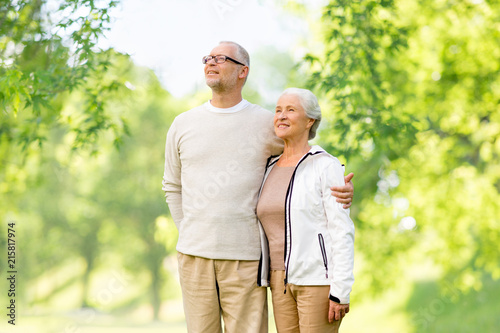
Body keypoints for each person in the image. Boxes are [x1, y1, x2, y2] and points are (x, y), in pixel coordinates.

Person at [162, 41, 354, 333]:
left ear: (243, 71)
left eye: (221, 58)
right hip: (194, 256)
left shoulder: (267, 122)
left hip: (247, 258)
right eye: (207, 58)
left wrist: (338, 183)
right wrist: (188, 228)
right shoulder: (183, 124)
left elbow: (304, 152)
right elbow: (171, 185)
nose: (211, 63)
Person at [256, 88, 355, 333]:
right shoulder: (268, 166)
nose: (281, 116)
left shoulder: (325, 165)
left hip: (316, 280)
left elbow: (342, 231)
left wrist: (340, 290)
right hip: (278, 280)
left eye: (291, 110)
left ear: (310, 120)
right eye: (278, 110)